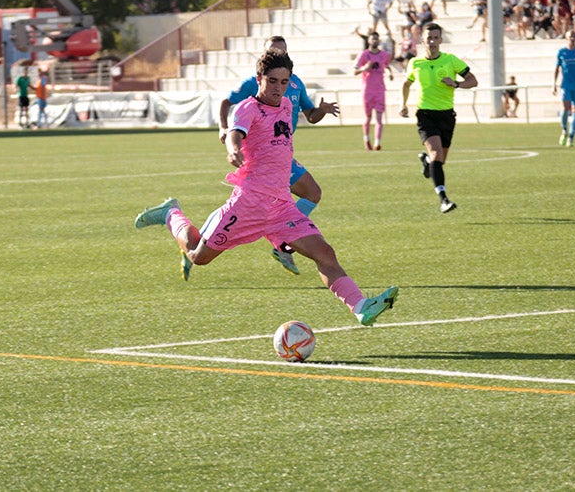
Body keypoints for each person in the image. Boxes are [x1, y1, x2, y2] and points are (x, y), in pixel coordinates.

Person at [136, 49, 398, 326]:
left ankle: (361, 307)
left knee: (325, 253)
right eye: (272, 81)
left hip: (282, 206)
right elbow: (236, 132)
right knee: (198, 256)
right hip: (248, 204)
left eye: (284, 82)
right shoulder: (248, 107)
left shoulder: (286, 106)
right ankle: (171, 214)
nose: (278, 88)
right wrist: (233, 148)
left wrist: (318, 111)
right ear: (259, 78)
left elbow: (291, 129)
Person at [218, 36, 340, 275]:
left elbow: (310, 116)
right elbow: (226, 103)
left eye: (283, 51)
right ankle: (282, 242)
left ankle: (282, 241)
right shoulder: (255, 84)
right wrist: (225, 129)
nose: (279, 54)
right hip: (261, 156)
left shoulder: (294, 84)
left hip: (282, 153)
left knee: (311, 194)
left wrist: (322, 111)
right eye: (274, 51)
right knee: (303, 194)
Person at [399, 23, 478, 213]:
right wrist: (403, 104)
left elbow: (473, 81)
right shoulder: (415, 63)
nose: (432, 41)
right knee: (436, 154)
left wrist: (456, 84)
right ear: (422, 40)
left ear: (441, 40)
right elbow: (406, 84)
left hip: (447, 115)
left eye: (436, 38)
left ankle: (427, 162)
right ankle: (443, 199)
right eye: (429, 38)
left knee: (439, 161)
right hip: (425, 114)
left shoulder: (451, 60)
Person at [354, 31, 394, 150]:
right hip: (367, 90)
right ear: (369, 41)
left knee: (379, 118)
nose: (375, 41)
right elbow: (355, 71)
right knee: (368, 117)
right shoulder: (364, 55)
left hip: (380, 90)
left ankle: (377, 143)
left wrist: (389, 73)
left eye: (377, 39)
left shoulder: (384, 55)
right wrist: (365, 68)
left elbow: (386, 66)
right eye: (373, 39)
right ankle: (366, 139)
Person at [553, 30, 575, 147]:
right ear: (566, 38)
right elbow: (557, 68)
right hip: (565, 85)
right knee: (565, 107)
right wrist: (554, 84)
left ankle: (571, 137)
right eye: (570, 36)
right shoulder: (562, 52)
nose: (572, 38)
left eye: (574, 36)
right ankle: (564, 130)